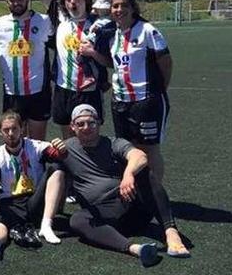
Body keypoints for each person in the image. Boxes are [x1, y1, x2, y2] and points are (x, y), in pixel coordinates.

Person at [51, 104, 189, 266]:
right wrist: (51, 147)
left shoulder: (113, 143)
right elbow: (39, 158)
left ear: (99, 123)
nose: (86, 127)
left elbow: (139, 155)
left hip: (130, 206)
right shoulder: (65, 149)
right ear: (72, 127)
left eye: (91, 122)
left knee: (143, 173)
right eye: (80, 124)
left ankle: (170, 231)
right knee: (77, 220)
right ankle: (135, 249)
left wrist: (128, 174)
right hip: (102, 216)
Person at [79, 0, 173, 184]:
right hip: (120, 101)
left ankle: (155, 195)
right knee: (127, 148)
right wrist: (93, 54)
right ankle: (135, 193)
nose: (119, 9)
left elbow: (165, 61)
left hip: (146, 101)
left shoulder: (147, 30)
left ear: (132, 8)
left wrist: (160, 89)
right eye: (115, 6)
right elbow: (112, 62)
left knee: (149, 148)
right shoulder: (112, 33)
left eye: (124, 5)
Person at [28, 0, 105, 139]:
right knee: (68, 137)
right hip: (64, 89)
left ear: (85, 0)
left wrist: (94, 54)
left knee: (90, 136)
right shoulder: (60, 17)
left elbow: (110, 58)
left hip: (90, 89)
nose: (72, 2)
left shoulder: (99, 24)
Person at [0, 111, 68, 258]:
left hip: (35, 200)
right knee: (2, 221)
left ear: (22, 129)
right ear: (0, 132)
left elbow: (57, 155)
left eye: (14, 128)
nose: (11, 133)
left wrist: (62, 150)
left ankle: (46, 225)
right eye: (6, 130)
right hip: (11, 202)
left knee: (57, 169)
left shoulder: (35, 146)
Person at [0, 0, 54, 140]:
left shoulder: (43, 21)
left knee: (37, 142)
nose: (16, 3)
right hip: (12, 94)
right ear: (6, 1)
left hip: (39, 93)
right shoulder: (1, 24)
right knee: (13, 140)